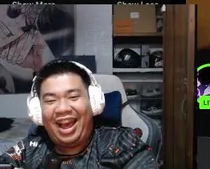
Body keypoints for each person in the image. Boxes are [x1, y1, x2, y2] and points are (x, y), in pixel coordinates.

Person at [4, 60, 158, 168]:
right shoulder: (29, 149)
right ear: (38, 111)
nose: (63, 109)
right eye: (51, 100)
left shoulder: (123, 144)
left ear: (94, 102)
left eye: (73, 97)